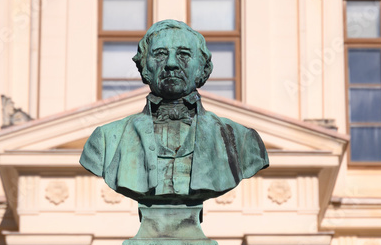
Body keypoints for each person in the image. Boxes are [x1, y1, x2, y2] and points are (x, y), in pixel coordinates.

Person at [80, 20, 268, 205]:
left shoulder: (242, 141)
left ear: (203, 68)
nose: (171, 64)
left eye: (184, 55)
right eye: (160, 54)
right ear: (144, 68)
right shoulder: (106, 140)